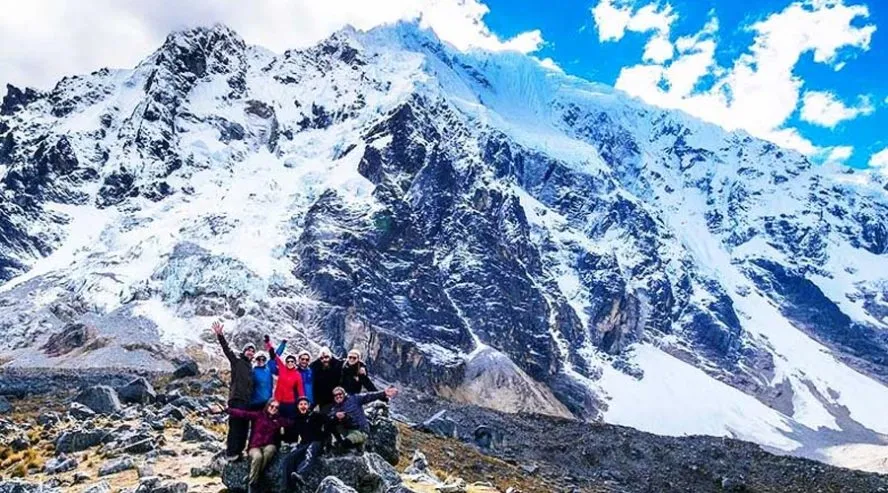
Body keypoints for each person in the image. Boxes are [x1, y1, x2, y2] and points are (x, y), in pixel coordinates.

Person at [212, 320, 255, 461]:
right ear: (244, 352)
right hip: (236, 400)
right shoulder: (237, 361)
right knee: (235, 428)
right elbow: (227, 350)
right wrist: (220, 335)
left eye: (252, 351)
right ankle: (231, 454)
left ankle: (239, 452)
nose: (250, 352)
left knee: (244, 428)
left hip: (247, 403)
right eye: (248, 350)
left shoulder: (250, 368)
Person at [227, 400, 292, 493]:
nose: (274, 409)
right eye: (271, 406)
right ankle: (252, 483)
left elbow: (291, 423)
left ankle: (254, 475)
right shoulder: (258, 415)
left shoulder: (279, 420)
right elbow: (243, 414)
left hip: (269, 445)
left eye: (276, 407)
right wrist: (226, 410)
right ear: (267, 406)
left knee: (270, 450)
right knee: (258, 457)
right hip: (255, 446)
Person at [327, 385, 398, 450]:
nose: (338, 396)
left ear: (344, 394)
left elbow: (369, 396)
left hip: (360, 430)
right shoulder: (335, 408)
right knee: (330, 424)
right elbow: (330, 417)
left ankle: (358, 445)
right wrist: (336, 416)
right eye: (335, 395)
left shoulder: (355, 399)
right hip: (348, 430)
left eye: (340, 394)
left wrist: (384, 393)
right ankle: (340, 442)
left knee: (345, 445)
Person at [282, 397, 326, 487]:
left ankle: (301, 474)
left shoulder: (316, 416)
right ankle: (287, 486)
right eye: (301, 404)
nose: (303, 406)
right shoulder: (296, 419)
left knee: (309, 453)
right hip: (304, 443)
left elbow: (329, 423)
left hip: (316, 442)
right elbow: (290, 434)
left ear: (308, 406)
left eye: (305, 404)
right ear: (297, 406)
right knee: (289, 459)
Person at [266, 336, 305, 419]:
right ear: (286, 362)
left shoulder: (297, 374)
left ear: (295, 363)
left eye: (292, 361)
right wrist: (268, 343)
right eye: (288, 361)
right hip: (277, 401)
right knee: (276, 422)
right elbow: (274, 355)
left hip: (290, 403)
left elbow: (300, 389)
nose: (290, 363)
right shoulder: (282, 368)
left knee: (288, 423)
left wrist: (302, 401)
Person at [250, 336, 287, 410]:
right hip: (254, 403)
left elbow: (275, 355)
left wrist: (283, 344)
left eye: (263, 359)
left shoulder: (269, 368)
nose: (261, 361)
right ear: (255, 360)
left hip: (267, 403)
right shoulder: (252, 371)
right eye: (259, 359)